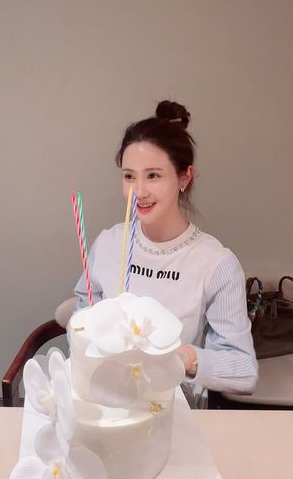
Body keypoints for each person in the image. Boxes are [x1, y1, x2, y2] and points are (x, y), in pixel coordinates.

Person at [73, 100, 257, 397]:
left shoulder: (216, 264)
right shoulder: (107, 244)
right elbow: (82, 312)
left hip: (174, 405)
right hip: (106, 401)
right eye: (129, 176)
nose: (139, 192)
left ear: (184, 177)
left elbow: (243, 371)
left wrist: (179, 358)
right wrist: (87, 334)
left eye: (153, 175)